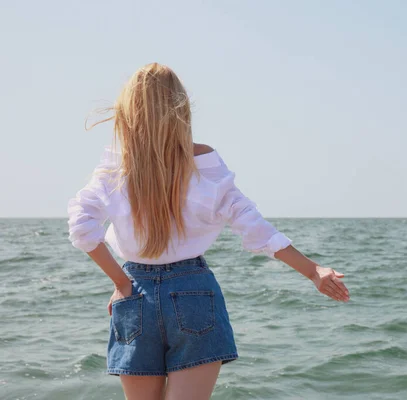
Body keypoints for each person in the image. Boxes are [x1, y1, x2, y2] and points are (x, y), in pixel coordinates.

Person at [67, 63, 350, 400]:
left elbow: (82, 227)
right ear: (181, 108)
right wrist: (314, 271)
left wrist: (121, 283)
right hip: (193, 292)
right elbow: (255, 227)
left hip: (134, 294)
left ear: (128, 112)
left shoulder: (115, 169)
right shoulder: (205, 167)